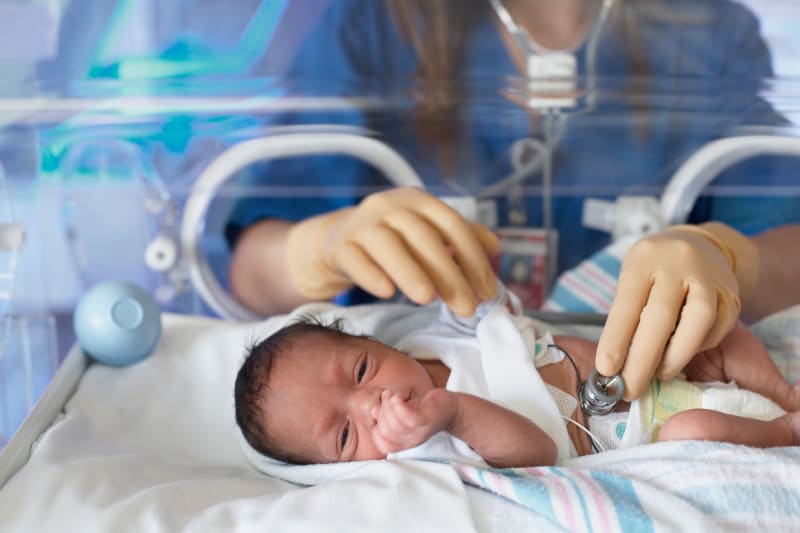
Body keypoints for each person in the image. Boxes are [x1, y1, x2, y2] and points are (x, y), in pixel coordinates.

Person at [226, 1, 800, 398]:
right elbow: (247, 277)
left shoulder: (706, 30)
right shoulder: (375, 23)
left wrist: (726, 256)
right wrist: (319, 247)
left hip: (630, 385)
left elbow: (785, 244)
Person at [234, 284, 800, 469]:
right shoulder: (425, 453)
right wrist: (452, 412)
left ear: (374, 342)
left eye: (361, 369)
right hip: (658, 426)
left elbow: (488, 300)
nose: (373, 402)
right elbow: (535, 451)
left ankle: (781, 390)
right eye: (345, 435)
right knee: (692, 428)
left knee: (714, 330)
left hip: (653, 369)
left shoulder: (429, 337)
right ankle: (787, 430)